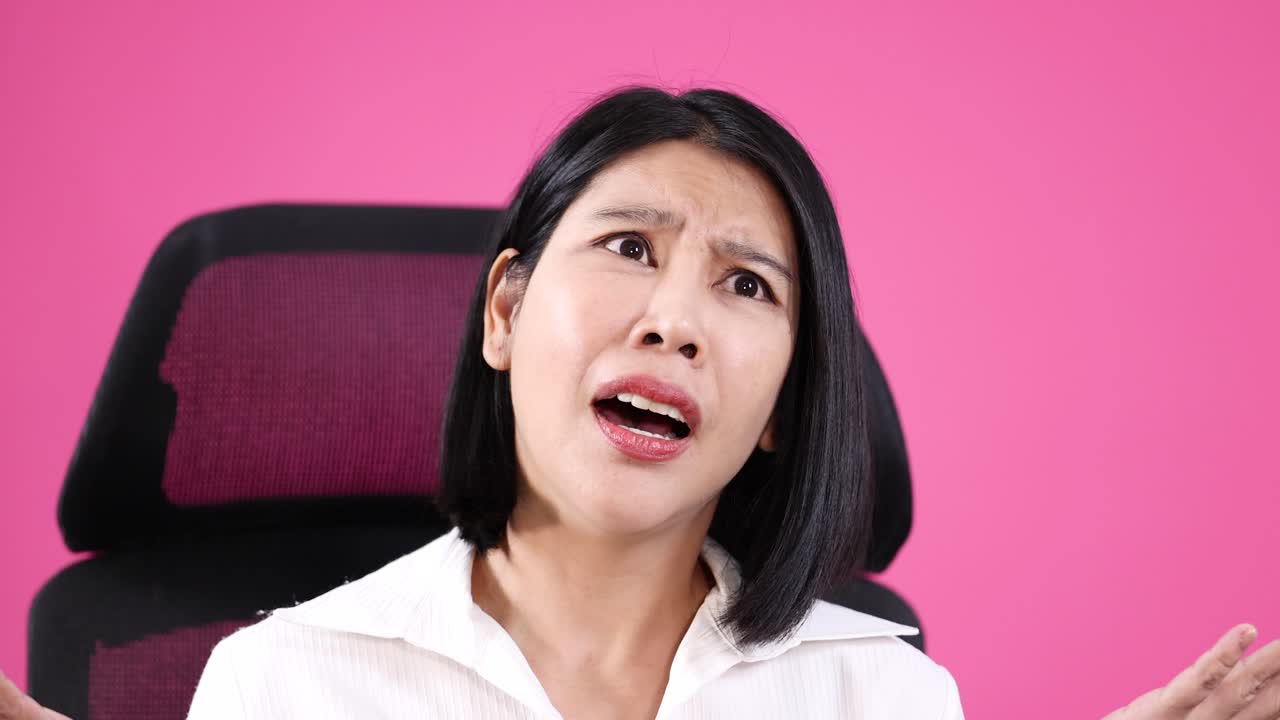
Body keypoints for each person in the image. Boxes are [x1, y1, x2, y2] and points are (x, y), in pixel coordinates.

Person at [4, 87, 1278, 719]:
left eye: (743, 284)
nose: (673, 316)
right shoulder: (287, 683)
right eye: (628, 247)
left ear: (781, 403)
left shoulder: (878, 698)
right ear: (504, 313)